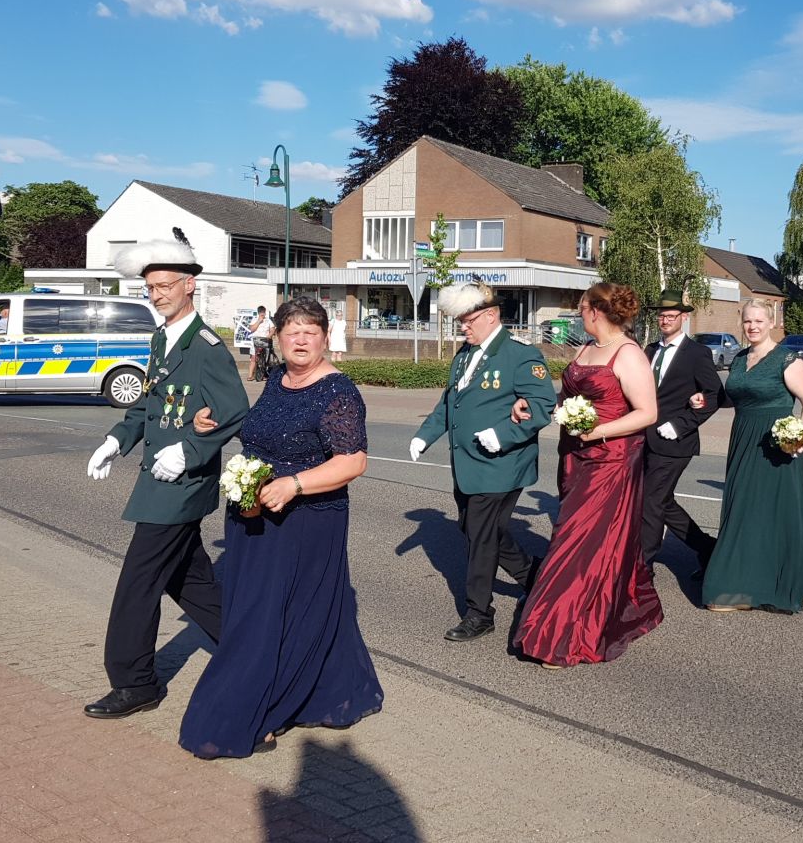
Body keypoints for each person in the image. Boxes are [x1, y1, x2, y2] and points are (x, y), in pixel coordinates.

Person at [180, 297, 381, 758]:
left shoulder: (338, 392)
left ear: (325, 338)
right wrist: (213, 424)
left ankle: (266, 707)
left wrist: (294, 484)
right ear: (277, 337)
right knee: (261, 608)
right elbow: (264, 433)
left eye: (311, 332)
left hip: (305, 520)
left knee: (277, 614)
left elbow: (353, 461)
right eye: (292, 331)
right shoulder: (276, 380)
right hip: (254, 514)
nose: (301, 340)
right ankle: (324, 690)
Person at [83, 229, 249, 719]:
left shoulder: (206, 347)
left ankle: (135, 682)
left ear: (189, 285)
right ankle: (254, 647)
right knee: (190, 580)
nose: (157, 295)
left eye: (165, 286)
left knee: (137, 584)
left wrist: (190, 450)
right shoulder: (162, 338)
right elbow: (149, 403)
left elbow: (235, 411)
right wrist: (116, 440)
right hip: (157, 479)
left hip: (181, 485)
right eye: (150, 288)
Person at [514, 282, 661, 667]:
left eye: (581, 308)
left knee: (580, 540)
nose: (579, 314)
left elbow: (647, 413)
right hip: (574, 457)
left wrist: (597, 432)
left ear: (596, 311)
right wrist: (533, 404)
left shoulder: (628, 354)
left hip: (610, 460)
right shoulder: (586, 348)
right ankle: (575, 609)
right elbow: (567, 398)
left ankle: (562, 631)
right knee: (575, 534)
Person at [410, 280, 555, 642]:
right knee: (478, 529)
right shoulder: (464, 355)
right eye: (460, 320)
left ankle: (479, 613)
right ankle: (537, 577)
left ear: (491, 316)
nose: (463, 327)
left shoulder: (520, 355)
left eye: (468, 320)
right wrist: (425, 435)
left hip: (501, 464)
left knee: (480, 536)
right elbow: (450, 402)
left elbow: (542, 406)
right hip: (468, 465)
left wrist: (503, 434)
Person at [701, 299, 803, 612]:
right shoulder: (740, 359)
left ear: (772, 323)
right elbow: (736, 395)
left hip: (778, 443)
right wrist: (701, 399)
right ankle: (753, 575)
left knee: (777, 510)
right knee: (744, 506)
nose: (752, 326)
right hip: (744, 438)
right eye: (748, 321)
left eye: (759, 321)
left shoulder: (787, 359)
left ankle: (800, 577)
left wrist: (800, 435)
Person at [640, 289, 724, 575]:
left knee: (651, 502)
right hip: (644, 439)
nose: (665, 320)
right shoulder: (650, 350)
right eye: (661, 316)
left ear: (683, 318)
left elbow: (714, 396)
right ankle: (708, 549)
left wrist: (680, 424)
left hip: (675, 443)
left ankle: (643, 568)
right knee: (661, 502)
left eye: (671, 316)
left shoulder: (697, 353)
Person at [247, 306, 275, 381]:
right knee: (253, 358)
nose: (262, 314)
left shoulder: (268, 320)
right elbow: (251, 329)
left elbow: (272, 330)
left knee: (265, 359)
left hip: (265, 341)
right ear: (258, 313)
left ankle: (263, 375)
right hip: (255, 341)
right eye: (261, 312)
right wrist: (259, 321)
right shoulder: (254, 319)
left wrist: (269, 336)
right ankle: (250, 375)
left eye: (263, 312)